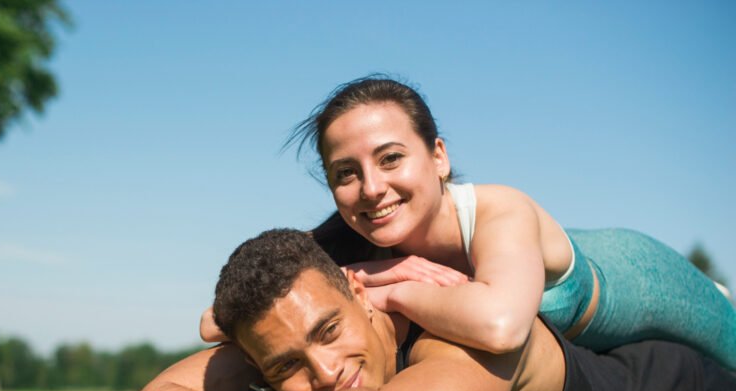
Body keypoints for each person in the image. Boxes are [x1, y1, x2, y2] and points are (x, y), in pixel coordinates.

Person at [200, 76, 736, 370]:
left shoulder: (501, 210)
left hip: (643, 279)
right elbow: (215, 321)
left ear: (437, 157)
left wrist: (388, 293)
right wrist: (374, 276)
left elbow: (500, 327)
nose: (371, 188)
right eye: (347, 173)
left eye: (390, 158)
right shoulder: (344, 240)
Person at [120, 229, 736, 391]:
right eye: (286, 366)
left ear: (364, 294)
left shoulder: (451, 330)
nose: (326, 372)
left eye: (330, 331)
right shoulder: (286, 337)